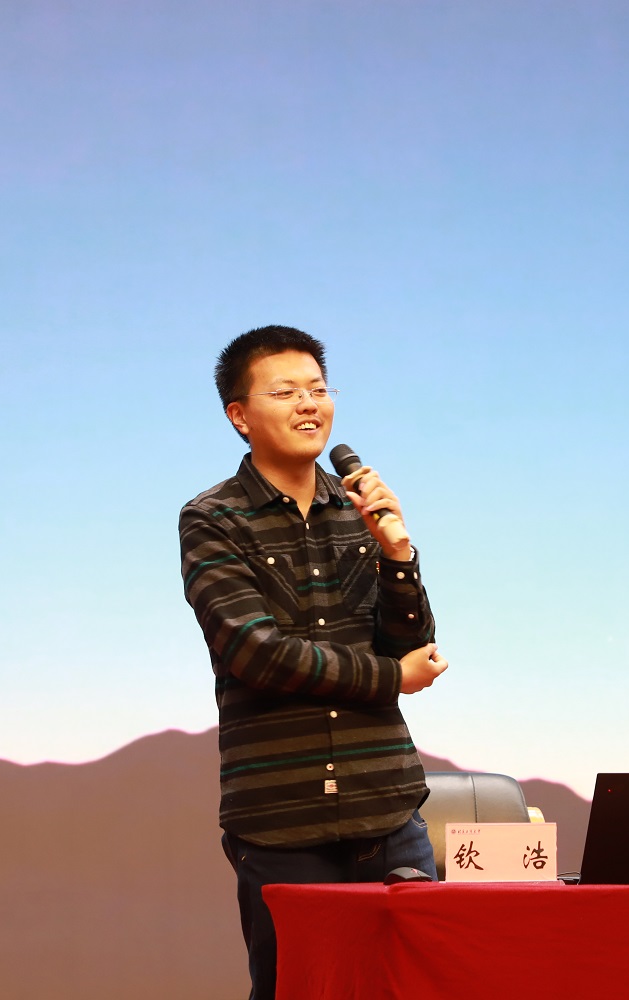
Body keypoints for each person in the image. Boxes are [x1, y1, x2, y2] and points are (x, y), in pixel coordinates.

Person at [179, 325, 449, 999]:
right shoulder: (213, 519)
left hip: (390, 814)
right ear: (239, 415)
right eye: (285, 392)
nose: (309, 404)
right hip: (283, 824)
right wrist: (393, 680)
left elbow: (411, 646)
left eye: (318, 389)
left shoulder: (357, 511)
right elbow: (257, 654)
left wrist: (397, 555)